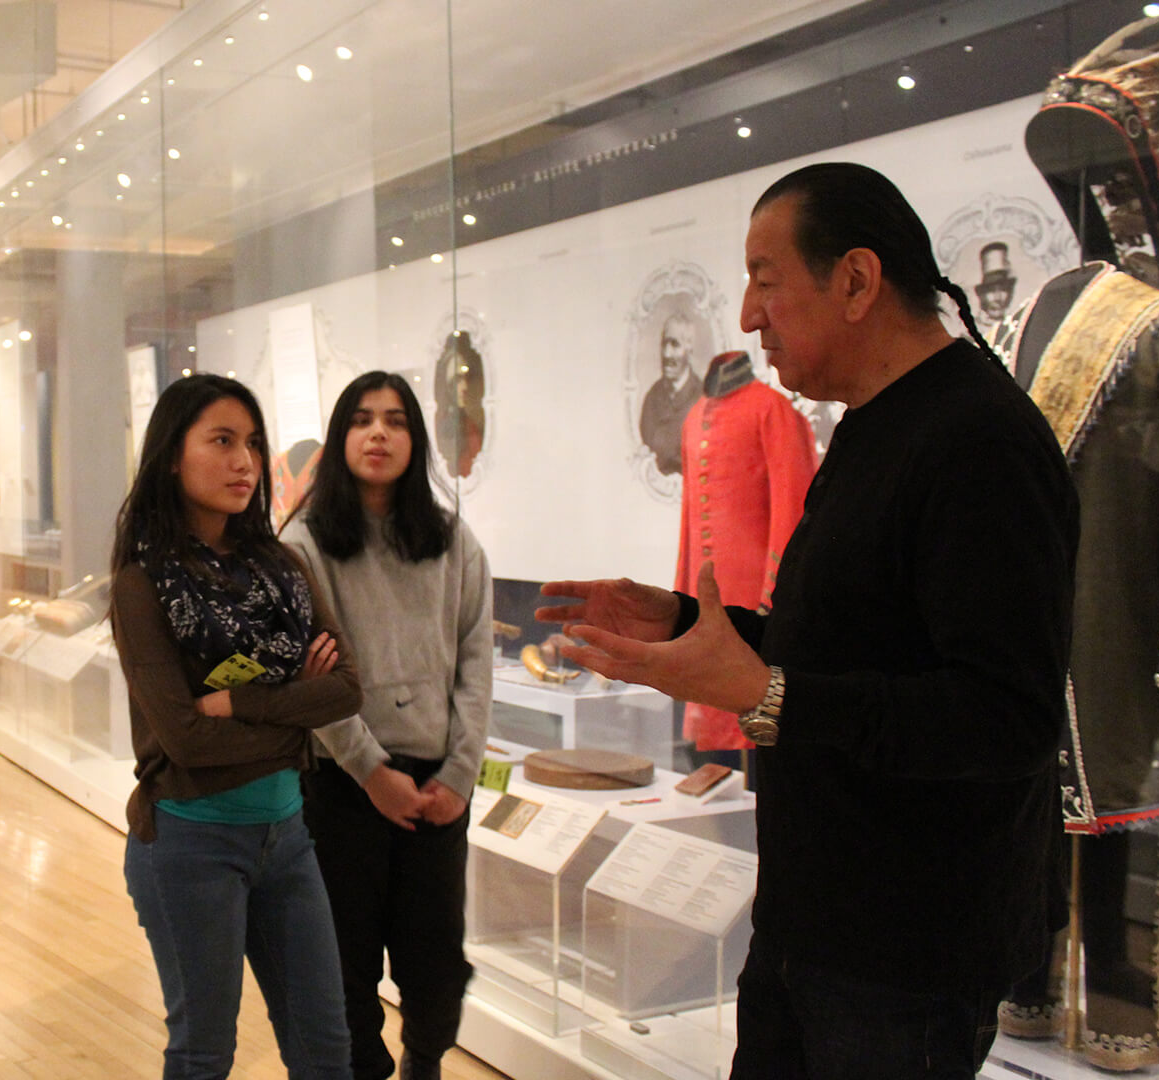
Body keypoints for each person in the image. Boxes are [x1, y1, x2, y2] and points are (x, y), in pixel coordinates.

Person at [539, 163, 1077, 1079]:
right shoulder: (875, 424)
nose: (748, 315)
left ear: (857, 281)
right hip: (814, 924)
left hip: (904, 952)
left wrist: (767, 693)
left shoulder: (980, 440)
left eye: (766, 279)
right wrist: (678, 621)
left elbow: (1009, 717)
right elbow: (846, 646)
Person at [110, 373, 363, 1080]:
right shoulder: (142, 583)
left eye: (252, 443)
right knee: (203, 1056)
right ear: (170, 456)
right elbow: (186, 741)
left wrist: (244, 706)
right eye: (221, 441)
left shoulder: (282, 567)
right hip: (189, 843)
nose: (245, 462)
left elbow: (346, 688)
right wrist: (296, 720)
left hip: (287, 839)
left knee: (326, 1053)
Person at [280, 372, 492, 1080]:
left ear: (415, 438)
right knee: (344, 964)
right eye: (363, 420)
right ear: (341, 436)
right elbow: (317, 679)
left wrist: (459, 776)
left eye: (396, 421)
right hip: (344, 787)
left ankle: (424, 1063)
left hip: (438, 793)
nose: (379, 434)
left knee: (435, 964)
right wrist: (371, 772)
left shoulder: (455, 542)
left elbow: (475, 662)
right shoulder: (305, 544)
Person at [638, 313, 704, 475]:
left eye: (675, 345)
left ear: (689, 350)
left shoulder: (704, 398)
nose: (667, 354)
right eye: (664, 344)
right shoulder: (652, 398)